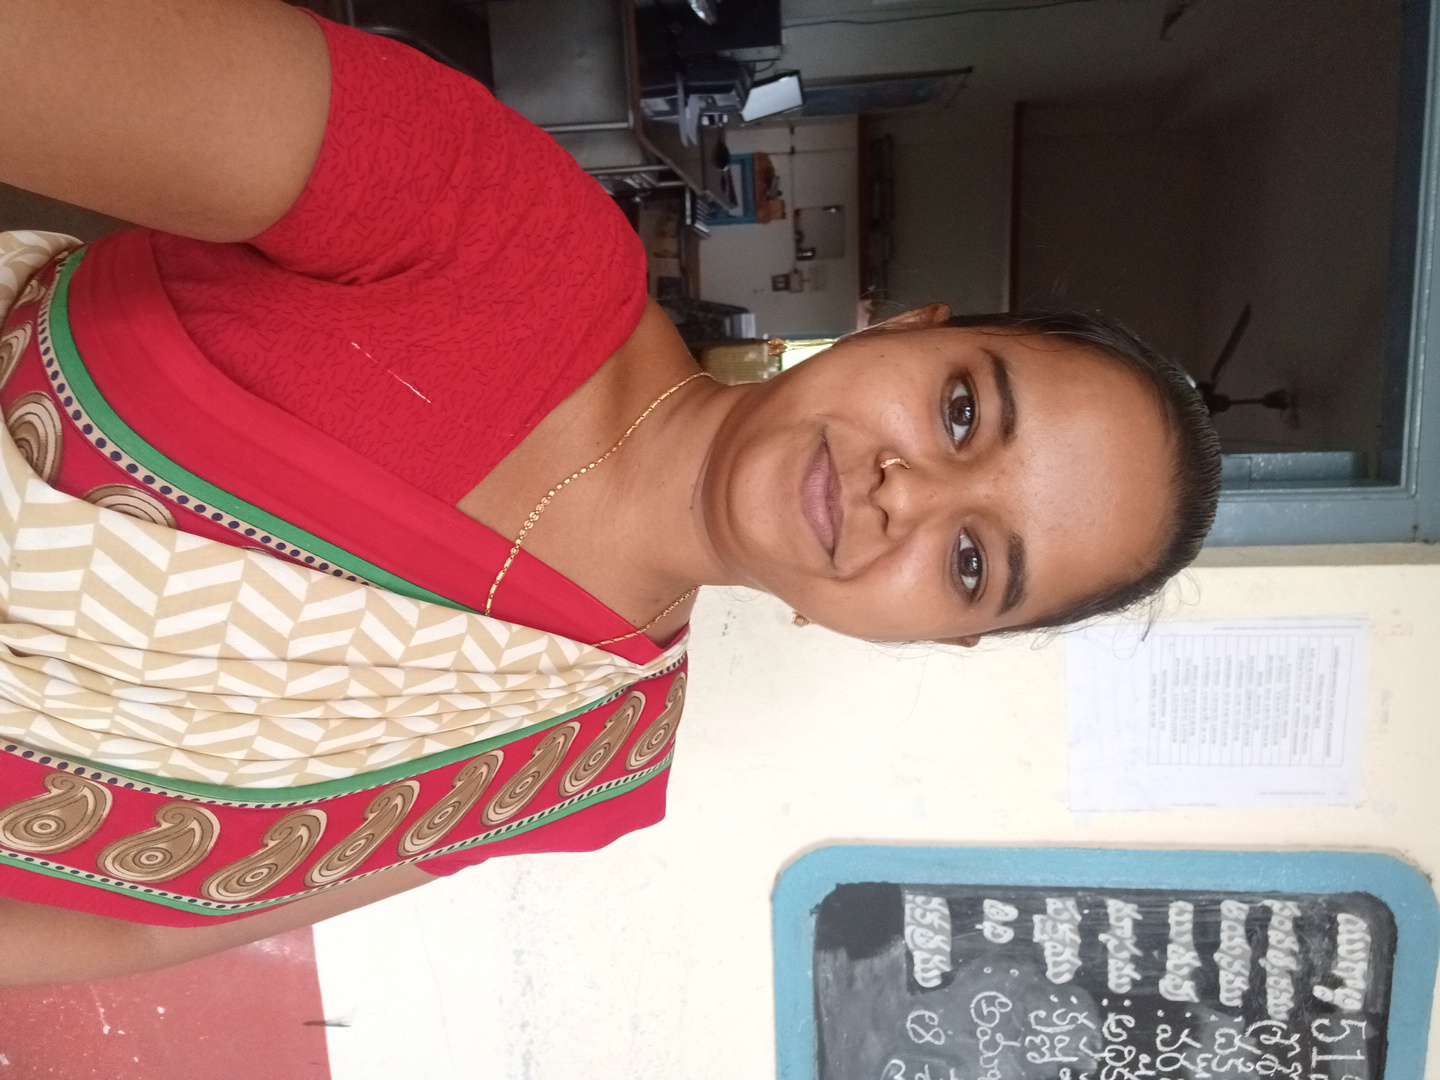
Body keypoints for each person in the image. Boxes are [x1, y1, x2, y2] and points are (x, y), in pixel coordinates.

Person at [0, 1, 1220, 984]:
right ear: (906, 325)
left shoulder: (586, 768)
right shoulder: (498, 232)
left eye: (972, 564)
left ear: (937, 637)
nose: (912, 495)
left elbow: (136, 933)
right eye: (962, 411)